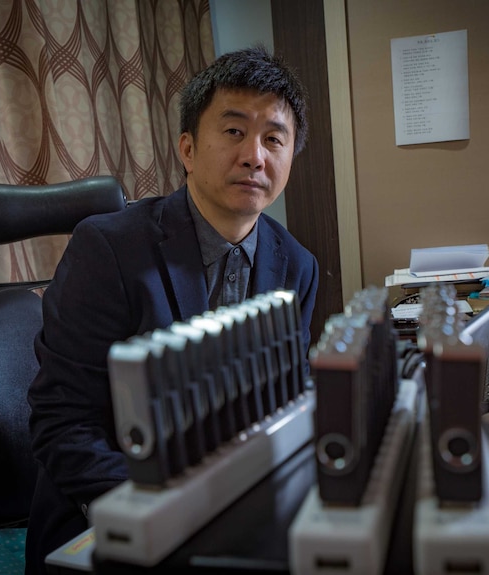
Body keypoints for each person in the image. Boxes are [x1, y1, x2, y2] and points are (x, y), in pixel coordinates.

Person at [24, 46, 319, 574]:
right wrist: (164, 516)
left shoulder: (298, 266)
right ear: (187, 148)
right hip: (112, 515)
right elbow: (63, 422)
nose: (255, 155)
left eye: (274, 138)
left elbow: (282, 406)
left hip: (233, 508)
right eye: (233, 132)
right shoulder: (108, 249)